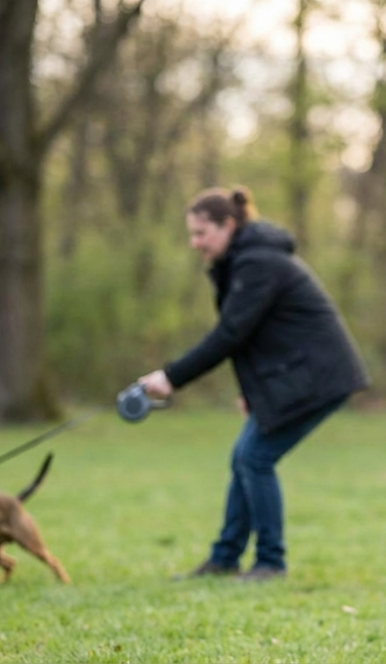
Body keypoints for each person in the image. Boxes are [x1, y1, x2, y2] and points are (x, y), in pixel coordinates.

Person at [138, 186, 369, 582]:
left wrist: (171, 376)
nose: (195, 243)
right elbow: (256, 335)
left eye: (201, 233)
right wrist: (253, 391)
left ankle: (269, 562)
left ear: (228, 225)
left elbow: (230, 334)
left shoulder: (258, 262)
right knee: (245, 457)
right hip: (296, 374)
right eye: (191, 234)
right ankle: (225, 558)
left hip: (318, 376)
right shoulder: (245, 260)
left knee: (254, 458)